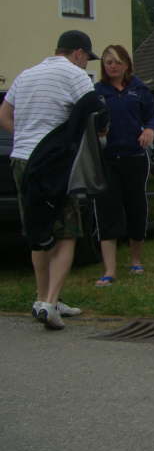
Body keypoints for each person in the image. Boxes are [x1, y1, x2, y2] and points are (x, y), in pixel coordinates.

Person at [0, 30, 103, 329]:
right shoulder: (75, 75)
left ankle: (42, 299)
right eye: (86, 58)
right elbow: (97, 114)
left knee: (38, 231)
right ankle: (50, 303)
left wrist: (25, 137)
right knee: (66, 233)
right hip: (55, 164)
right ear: (78, 53)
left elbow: (4, 114)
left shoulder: (26, 75)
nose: (85, 64)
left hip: (22, 159)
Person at [93, 45, 154, 286]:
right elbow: (88, 120)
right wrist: (97, 130)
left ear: (126, 64)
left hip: (134, 157)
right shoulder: (97, 92)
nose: (113, 66)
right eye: (108, 62)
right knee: (108, 210)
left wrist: (150, 129)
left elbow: (153, 116)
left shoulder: (139, 89)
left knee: (136, 208)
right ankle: (109, 270)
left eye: (117, 62)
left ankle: (135, 260)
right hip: (108, 159)